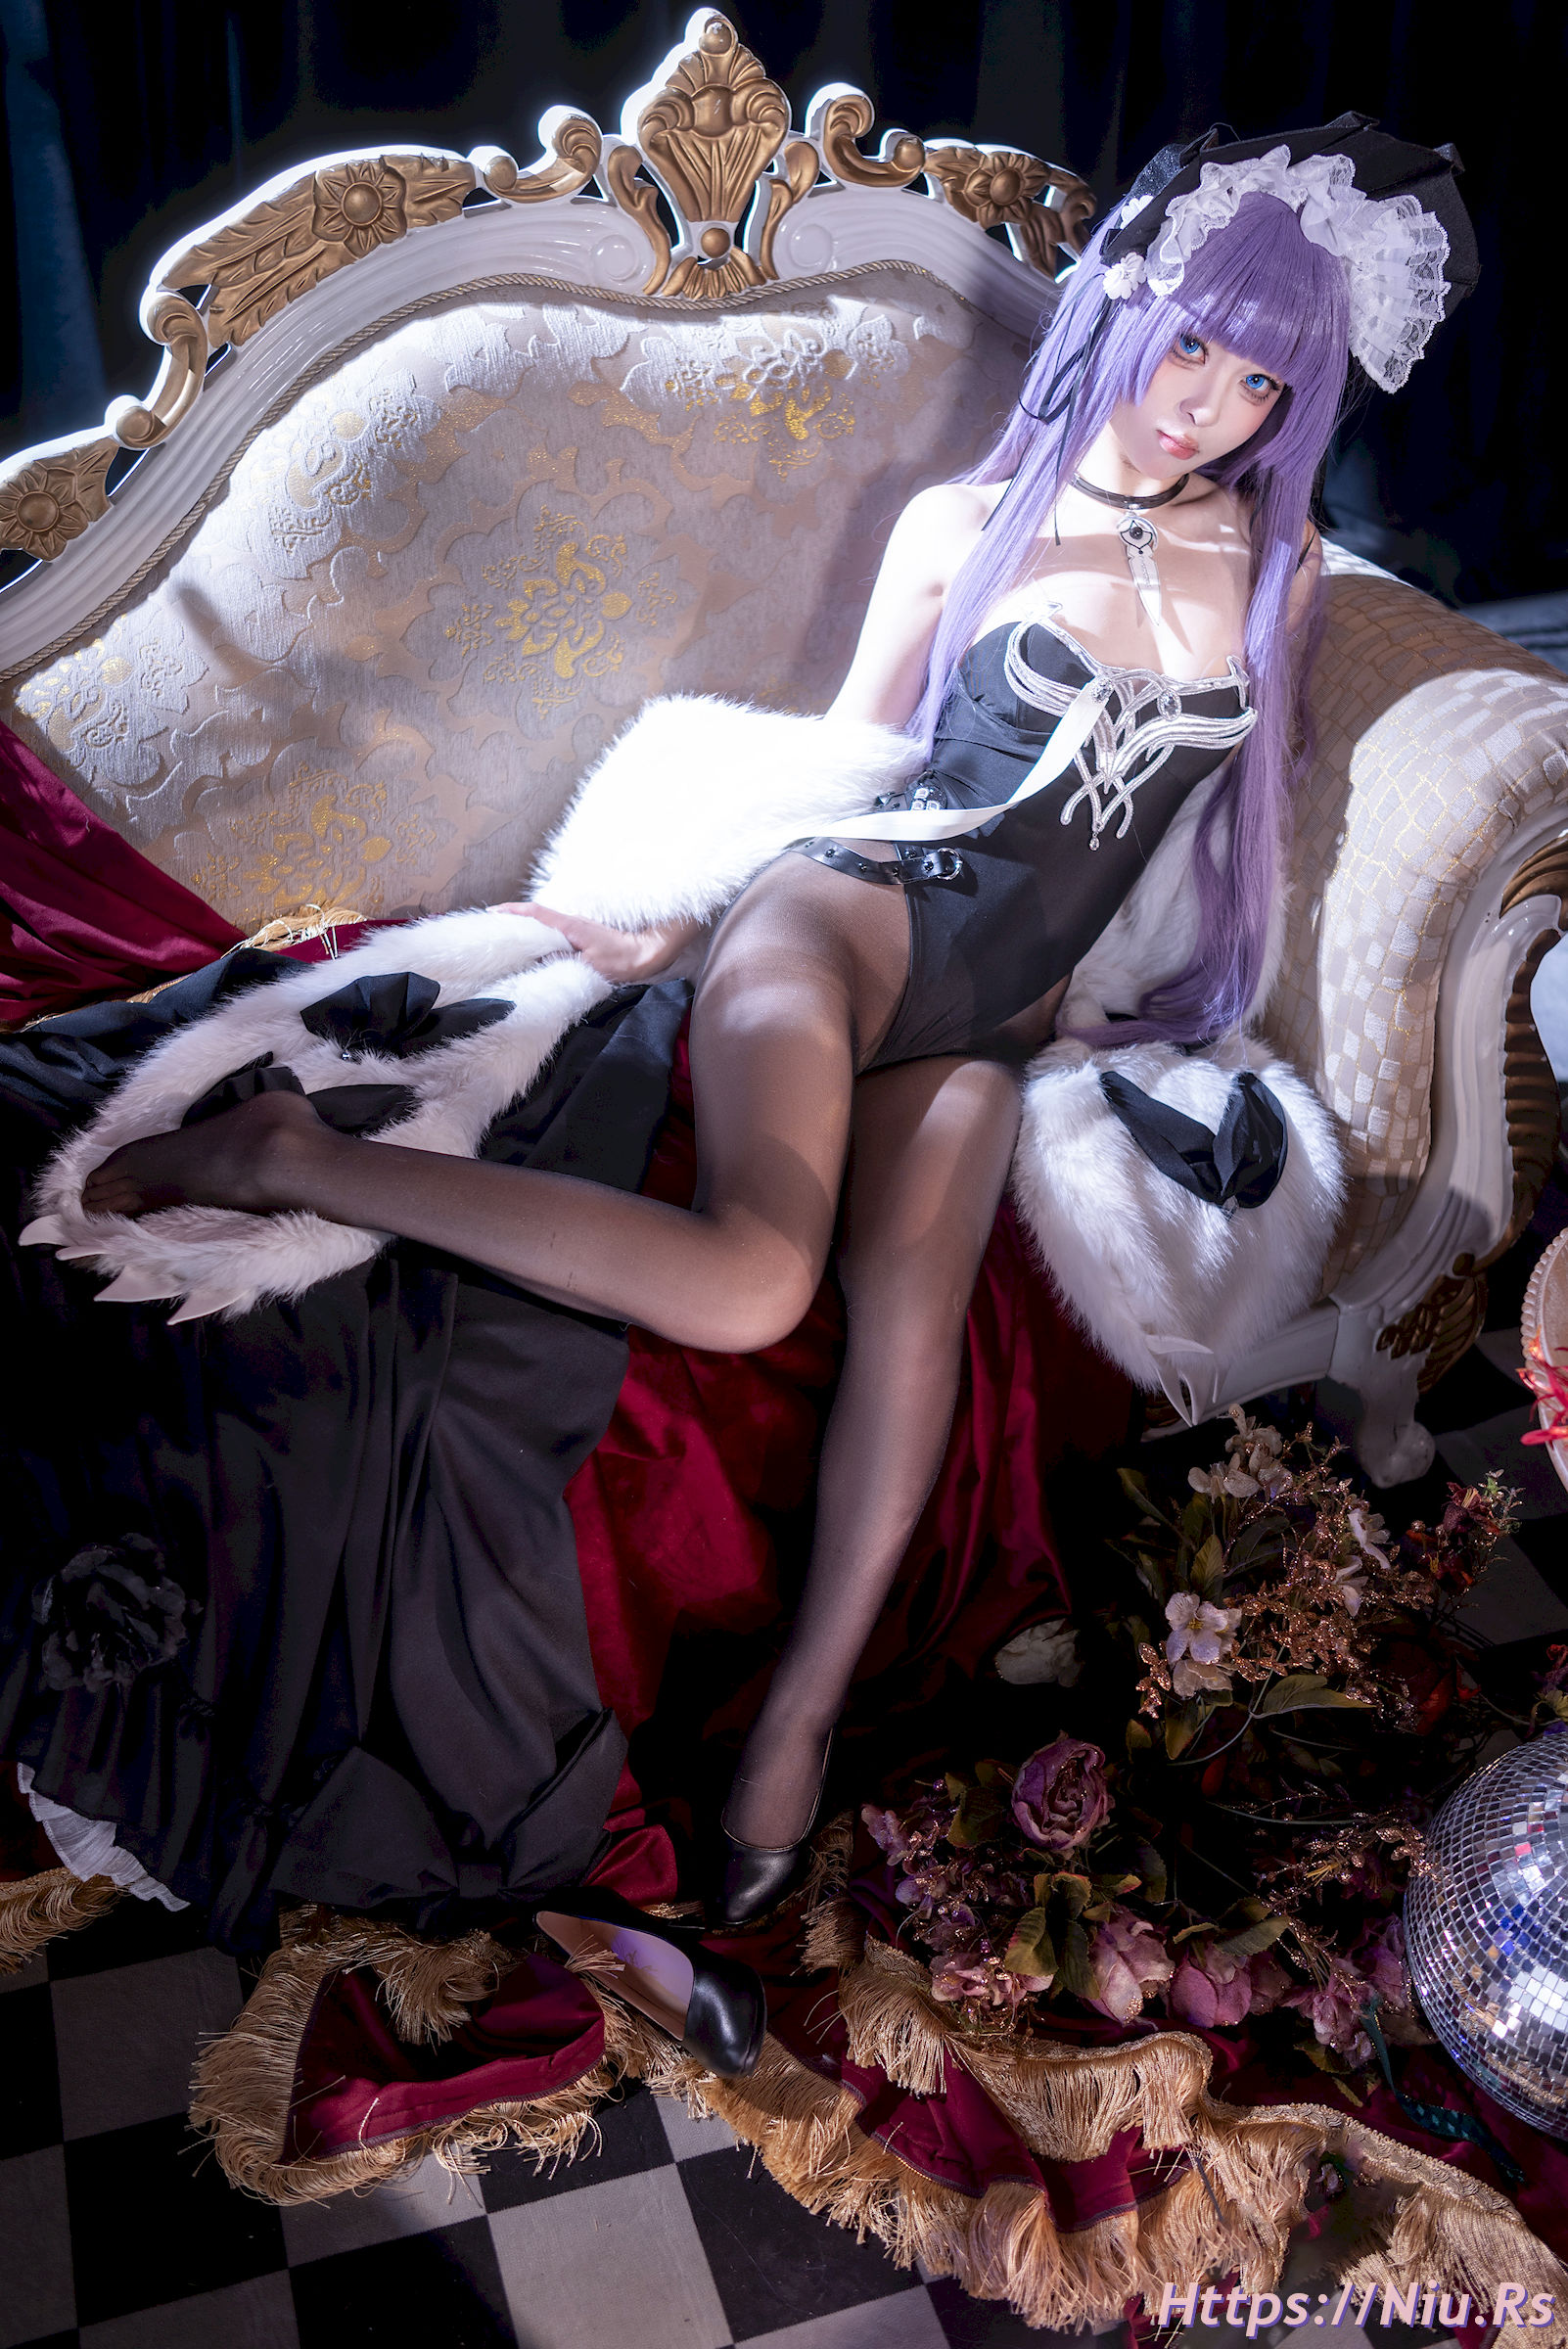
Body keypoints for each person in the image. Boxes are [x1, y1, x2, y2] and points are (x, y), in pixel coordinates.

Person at [3, 121, 1474, 2047]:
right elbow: (846, 756)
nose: (1209, 401)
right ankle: (291, 1152)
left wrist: (1131, 1022)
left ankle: (795, 1727)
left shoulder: (1265, 574)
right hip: (841, 922)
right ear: (1125, 307)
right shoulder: (969, 524)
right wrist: (655, 917)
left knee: (913, 1332)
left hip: (995, 1029)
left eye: (1260, 379)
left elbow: (1198, 851)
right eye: (1191, 343)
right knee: (757, 1280)